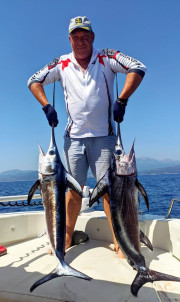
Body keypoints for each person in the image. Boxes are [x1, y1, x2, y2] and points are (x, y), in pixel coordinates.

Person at [27, 16, 146, 257]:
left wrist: (122, 99)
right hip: (74, 139)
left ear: (92, 37)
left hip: (104, 137)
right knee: (73, 190)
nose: (80, 42)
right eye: (76, 37)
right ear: (69, 40)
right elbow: (33, 80)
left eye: (85, 37)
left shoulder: (107, 56)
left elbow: (138, 67)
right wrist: (46, 106)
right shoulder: (61, 63)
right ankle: (67, 235)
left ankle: (119, 240)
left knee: (110, 191)